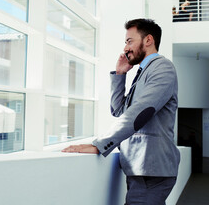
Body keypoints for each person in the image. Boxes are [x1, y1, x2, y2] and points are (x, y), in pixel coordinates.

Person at [62, 18, 180, 205]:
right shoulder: (143, 72)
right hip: (141, 167)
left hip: (151, 169)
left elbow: (141, 113)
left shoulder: (163, 68)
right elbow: (119, 111)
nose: (126, 48)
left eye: (129, 41)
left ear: (148, 40)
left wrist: (100, 144)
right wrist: (120, 75)